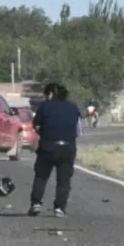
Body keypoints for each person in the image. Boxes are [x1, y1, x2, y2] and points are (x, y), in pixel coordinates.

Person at [28, 82, 82, 218]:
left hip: (48, 146)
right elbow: (78, 131)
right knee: (64, 179)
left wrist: (45, 133)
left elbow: (36, 126)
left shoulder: (45, 106)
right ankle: (60, 208)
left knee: (41, 176)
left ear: (51, 93)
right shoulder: (73, 107)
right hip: (68, 147)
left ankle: (36, 204)